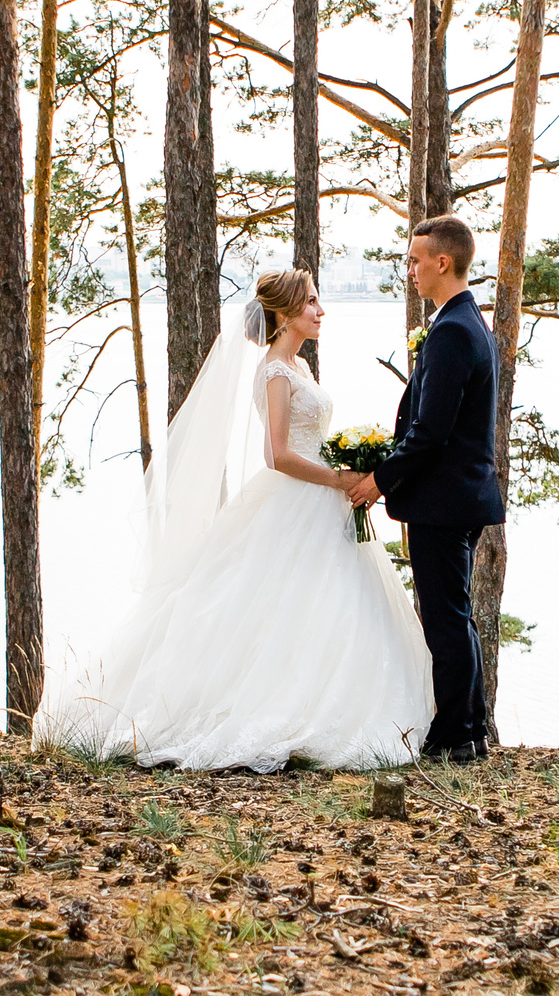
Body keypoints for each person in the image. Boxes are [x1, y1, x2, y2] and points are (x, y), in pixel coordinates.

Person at [32, 269, 432, 771]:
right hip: (296, 499)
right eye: (311, 303)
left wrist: (348, 466)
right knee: (266, 604)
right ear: (285, 313)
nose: (320, 311)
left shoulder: (300, 367)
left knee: (326, 606)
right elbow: (278, 455)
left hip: (322, 501)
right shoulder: (275, 372)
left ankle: (316, 701)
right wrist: (339, 480)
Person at [345, 215, 503, 763]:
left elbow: (431, 431)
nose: (409, 270)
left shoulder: (456, 331)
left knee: (445, 620)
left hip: (446, 500)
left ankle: (455, 734)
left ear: (443, 262)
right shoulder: (465, 322)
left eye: (415, 260)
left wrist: (378, 481)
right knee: (455, 615)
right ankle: (472, 728)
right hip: (461, 495)